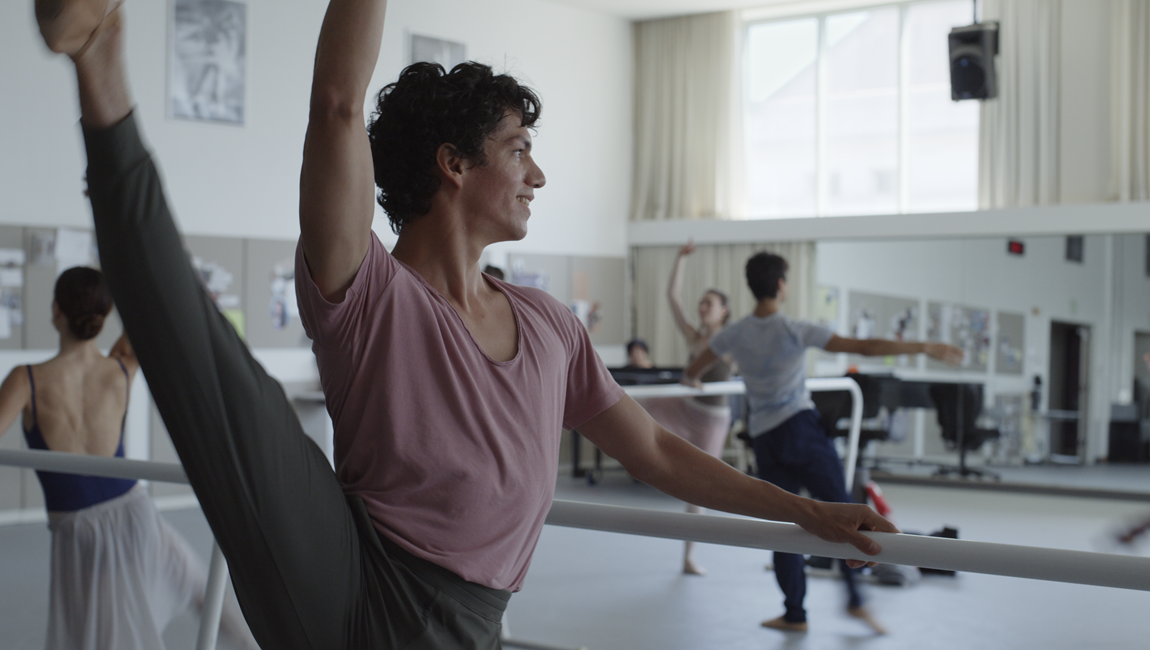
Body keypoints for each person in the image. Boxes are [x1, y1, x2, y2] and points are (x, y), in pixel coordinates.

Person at [32, 2, 897, 647]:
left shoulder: (551, 326)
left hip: (459, 623)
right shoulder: (367, 289)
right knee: (205, 354)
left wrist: (804, 513)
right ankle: (102, 62)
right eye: (519, 149)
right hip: (343, 573)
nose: (539, 174)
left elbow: (663, 453)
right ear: (453, 165)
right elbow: (338, 102)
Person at [684, 252, 962, 635]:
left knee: (784, 528)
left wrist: (693, 381)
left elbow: (693, 370)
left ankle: (795, 614)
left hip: (764, 438)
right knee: (845, 515)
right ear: (781, 285)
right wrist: (924, 347)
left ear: (751, 287)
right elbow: (862, 347)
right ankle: (855, 602)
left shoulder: (734, 334)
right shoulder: (794, 328)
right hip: (801, 430)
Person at [0, 267, 255, 650]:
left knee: (114, 637)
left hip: (81, 531)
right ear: (103, 317)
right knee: (201, 590)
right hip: (136, 516)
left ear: (56, 310)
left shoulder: (27, 379)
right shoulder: (121, 366)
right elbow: (152, 312)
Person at [641, 240, 735, 575]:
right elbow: (672, 299)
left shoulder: (731, 340)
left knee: (701, 490)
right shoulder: (696, 338)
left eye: (709, 303)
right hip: (685, 409)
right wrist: (680, 260)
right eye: (701, 303)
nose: (702, 307)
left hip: (711, 420)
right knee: (639, 405)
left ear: (723, 310)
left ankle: (689, 557)